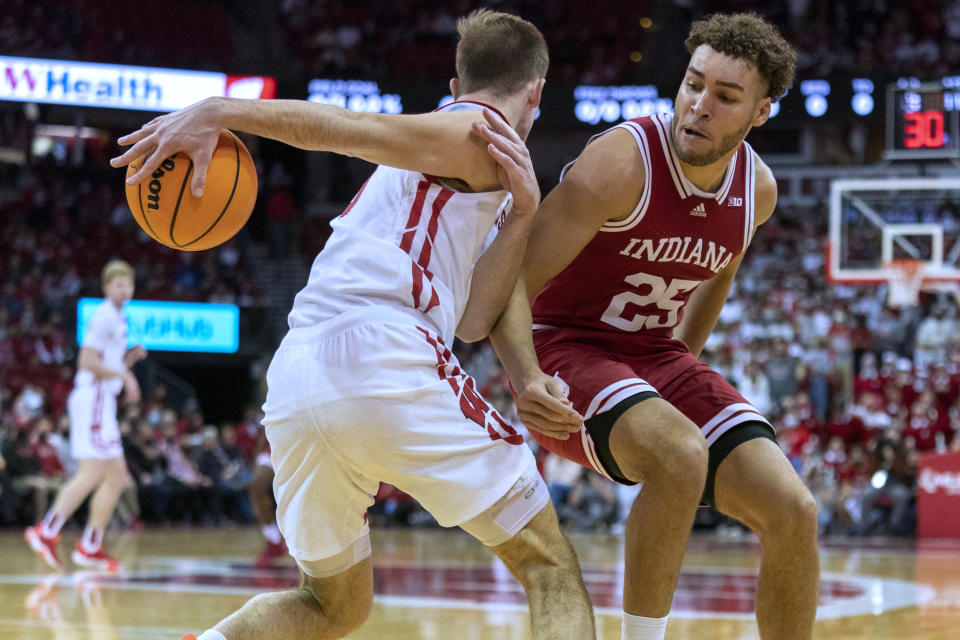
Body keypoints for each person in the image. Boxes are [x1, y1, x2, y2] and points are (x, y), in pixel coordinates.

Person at [112, 9, 593, 640]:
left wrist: (524, 216)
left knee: (333, 605)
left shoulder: (482, 179)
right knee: (549, 565)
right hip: (383, 350)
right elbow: (345, 125)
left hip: (300, 370)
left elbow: (477, 317)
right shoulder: (480, 129)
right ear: (535, 91)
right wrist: (221, 110)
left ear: (453, 82)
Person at [490, 12, 819, 640]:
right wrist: (524, 377)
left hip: (652, 357)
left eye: (724, 97)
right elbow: (511, 280)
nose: (698, 106)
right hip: (564, 348)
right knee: (678, 452)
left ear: (762, 112)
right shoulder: (621, 162)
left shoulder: (759, 190)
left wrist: (675, 371)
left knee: (794, 509)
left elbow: (719, 271)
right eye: (693, 84)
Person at [26, 260, 147, 571]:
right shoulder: (105, 316)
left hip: (100, 400)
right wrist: (126, 377)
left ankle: (89, 545)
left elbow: (108, 365)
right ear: (107, 287)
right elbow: (86, 361)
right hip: (93, 399)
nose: (125, 289)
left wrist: (127, 362)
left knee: (117, 477)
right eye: (119, 284)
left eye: (128, 284)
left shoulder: (118, 319)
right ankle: (47, 531)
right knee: (92, 472)